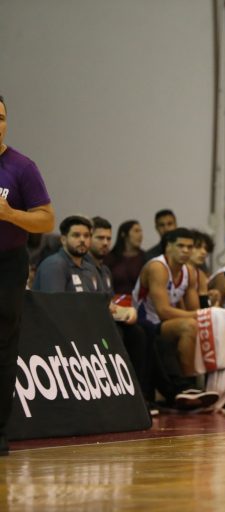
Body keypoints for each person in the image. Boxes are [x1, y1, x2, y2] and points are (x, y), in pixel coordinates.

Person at [0, 94, 55, 455]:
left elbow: (46, 219)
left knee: (3, 346)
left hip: (6, 263)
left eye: (1, 118)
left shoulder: (21, 167)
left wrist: (10, 215)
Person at [133, 227, 219, 409]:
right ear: (168, 247)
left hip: (164, 322)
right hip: (145, 322)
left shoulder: (190, 272)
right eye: (181, 246)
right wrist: (200, 315)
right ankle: (187, 385)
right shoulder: (158, 267)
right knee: (189, 326)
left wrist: (203, 312)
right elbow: (163, 311)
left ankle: (204, 386)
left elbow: (193, 309)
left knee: (200, 325)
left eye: (189, 247)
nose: (186, 251)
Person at [88, 216, 153, 408]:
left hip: (114, 314)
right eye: (100, 238)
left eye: (108, 238)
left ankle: (140, 395)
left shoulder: (105, 270)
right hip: (91, 322)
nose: (105, 243)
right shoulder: (86, 268)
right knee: (120, 334)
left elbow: (110, 302)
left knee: (142, 332)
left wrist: (125, 311)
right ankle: (118, 394)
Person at [33, 216, 101, 293]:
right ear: (63, 240)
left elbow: (103, 298)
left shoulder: (91, 268)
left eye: (86, 236)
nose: (82, 240)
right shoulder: (54, 265)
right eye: (76, 235)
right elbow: (54, 300)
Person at [105, 220, 145, 296]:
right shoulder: (110, 257)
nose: (140, 235)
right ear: (123, 234)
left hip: (137, 301)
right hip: (114, 299)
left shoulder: (145, 257)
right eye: (136, 231)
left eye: (140, 231)